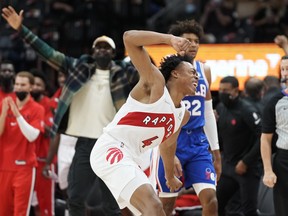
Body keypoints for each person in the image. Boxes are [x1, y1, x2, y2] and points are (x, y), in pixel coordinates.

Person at [2, 5, 139, 216]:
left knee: (112, 204)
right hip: (83, 143)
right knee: (75, 198)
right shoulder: (78, 67)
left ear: (113, 53)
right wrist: (22, 30)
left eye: (107, 48)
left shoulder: (124, 73)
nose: (102, 50)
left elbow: (148, 75)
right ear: (92, 52)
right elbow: (48, 53)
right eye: (98, 47)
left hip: (110, 143)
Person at [90, 30, 199, 215]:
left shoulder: (183, 115)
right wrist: (169, 39)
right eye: (191, 72)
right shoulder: (155, 85)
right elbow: (129, 38)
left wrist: (169, 174)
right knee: (154, 206)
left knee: (151, 212)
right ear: (175, 74)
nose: (196, 76)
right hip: (112, 148)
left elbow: (168, 144)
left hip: (134, 158)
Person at [155, 19, 221, 216]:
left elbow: (208, 111)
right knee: (166, 205)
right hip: (172, 139)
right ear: (177, 42)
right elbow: (158, 113)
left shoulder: (204, 70)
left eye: (196, 40)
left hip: (197, 142)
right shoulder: (166, 72)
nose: (192, 44)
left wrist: (216, 151)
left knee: (211, 199)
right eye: (187, 40)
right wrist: (168, 152)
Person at [215, 76, 262, 216]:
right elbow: (220, 136)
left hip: (247, 168)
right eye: (220, 90)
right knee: (216, 204)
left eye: (226, 90)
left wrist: (246, 161)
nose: (222, 93)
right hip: (228, 166)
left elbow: (264, 138)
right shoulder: (220, 108)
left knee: (249, 211)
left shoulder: (247, 110)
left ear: (236, 91)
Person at [0, 71, 45, 216]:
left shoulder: (38, 109)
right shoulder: (5, 103)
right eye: (17, 84)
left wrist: (17, 114)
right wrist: (4, 113)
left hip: (24, 168)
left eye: (23, 85)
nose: (18, 88)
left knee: (20, 212)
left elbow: (32, 136)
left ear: (31, 88)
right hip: (4, 166)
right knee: (3, 211)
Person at [261, 55, 288, 216]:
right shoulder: (274, 102)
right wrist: (268, 170)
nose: (285, 73)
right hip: (284, 161)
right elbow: (265, 138)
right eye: (283, 69)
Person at [30, 71, 56, 216]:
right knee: (31, 204)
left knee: (45, 206)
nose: (34, 87)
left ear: (45, 88)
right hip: (27, 161)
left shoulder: (49, 104)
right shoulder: (24, 104)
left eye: (38, 85)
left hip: (44, 160)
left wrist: (36, 118)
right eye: (32, 84)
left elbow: (49, 132)